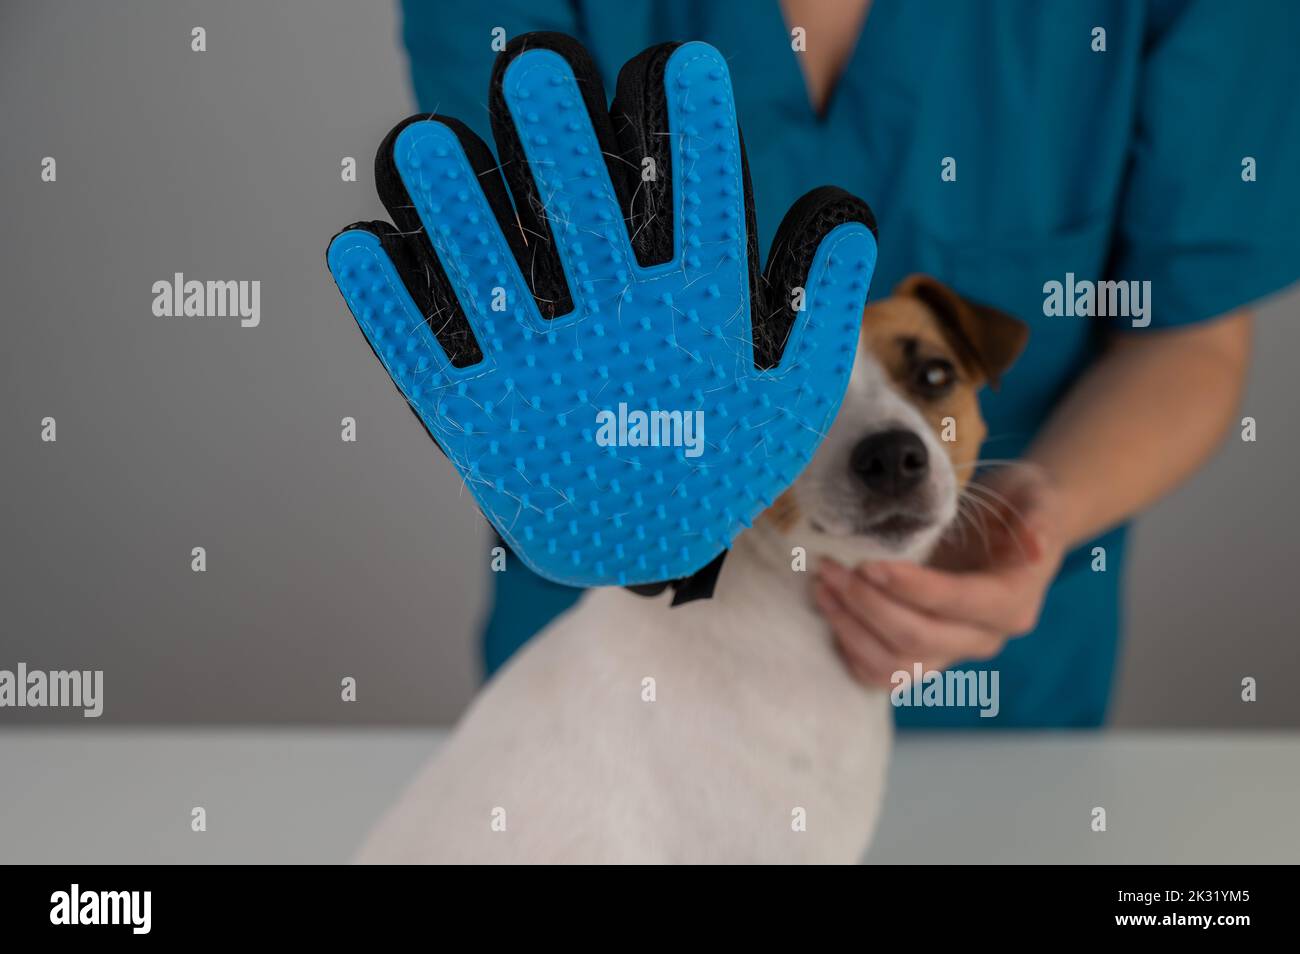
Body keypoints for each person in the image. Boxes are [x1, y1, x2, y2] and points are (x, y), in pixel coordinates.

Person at [399, 0, 1300, 726]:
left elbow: (1191, 334)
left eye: (932, 375)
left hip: (997, 700)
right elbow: (522, 325)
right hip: (626, 674)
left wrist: (1045, 514)